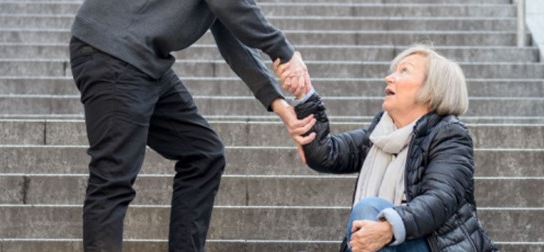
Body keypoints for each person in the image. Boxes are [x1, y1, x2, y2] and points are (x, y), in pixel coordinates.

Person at [68, 0, 315, 251]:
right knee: (112, 178)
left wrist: (278, 103)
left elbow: (231, 30)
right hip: (112, 51)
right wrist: (284, 52)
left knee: (203, 153)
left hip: (142, 59)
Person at [285, 45, 498, 252]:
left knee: (368, 211)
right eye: (393, 71)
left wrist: (389, 228)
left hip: (437, 245)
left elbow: (441, 199)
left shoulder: (449, 135)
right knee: (367, 227)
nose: (389, 78)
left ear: (431, 90)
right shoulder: (379, 134)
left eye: (404, 71)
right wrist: (305, 95)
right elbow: (325, 154)